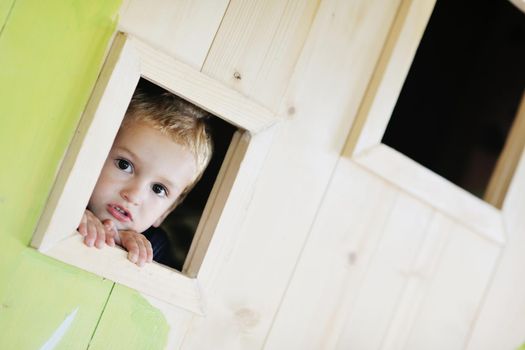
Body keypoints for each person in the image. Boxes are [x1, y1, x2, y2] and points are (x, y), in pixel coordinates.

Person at [77, 87, 213, 267]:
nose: (134, 195)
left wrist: (122, 249)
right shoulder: (60, 194)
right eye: (124, 165)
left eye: (158, 189)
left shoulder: (155, 246)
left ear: (165, 212)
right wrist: (70, 215)